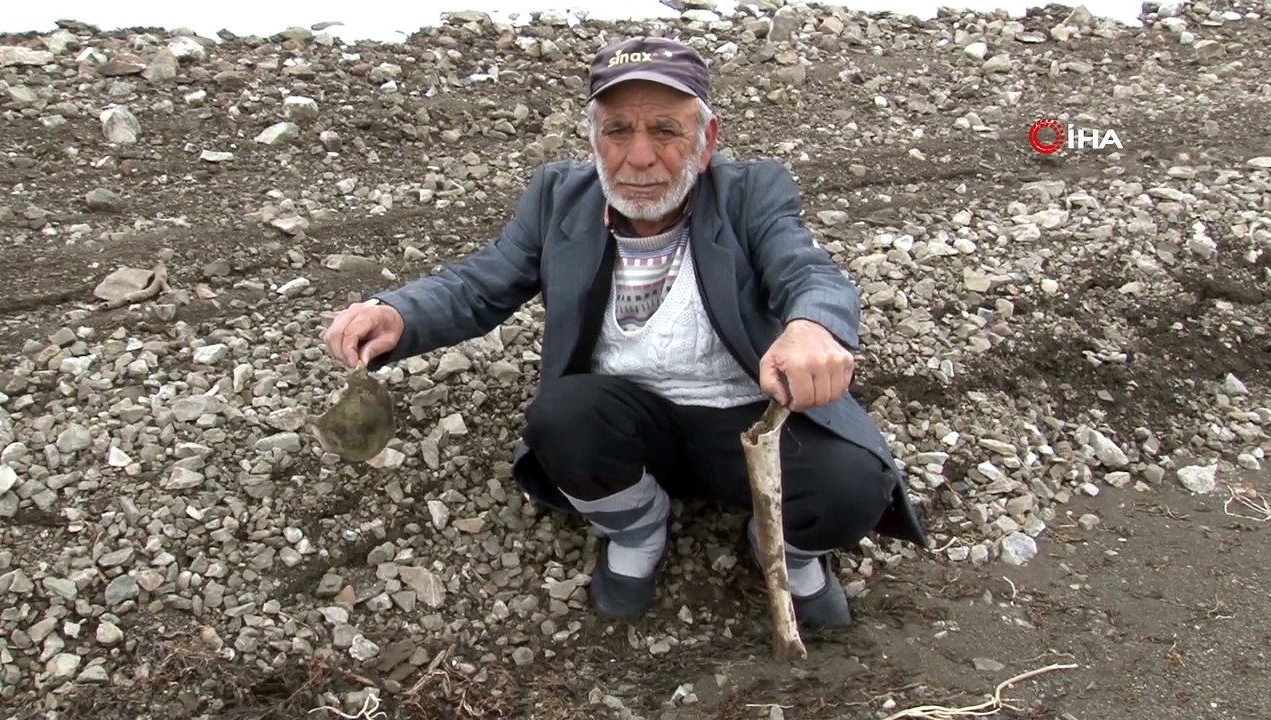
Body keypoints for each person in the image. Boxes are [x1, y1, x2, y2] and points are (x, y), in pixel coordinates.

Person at [322, 35, 928, 629]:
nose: (639, 157)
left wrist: (812, 327)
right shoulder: (558, 197)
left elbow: (808, 270)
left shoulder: (753, 193)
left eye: (666, 130)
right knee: (561, 419)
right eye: (618, 131)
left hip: (748, 421)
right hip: (628, 420)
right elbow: (482, 282)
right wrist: (397, 313)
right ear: (594, 138)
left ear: (706, 139)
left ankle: (786, 551)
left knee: (853, 488)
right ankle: (639, 530)